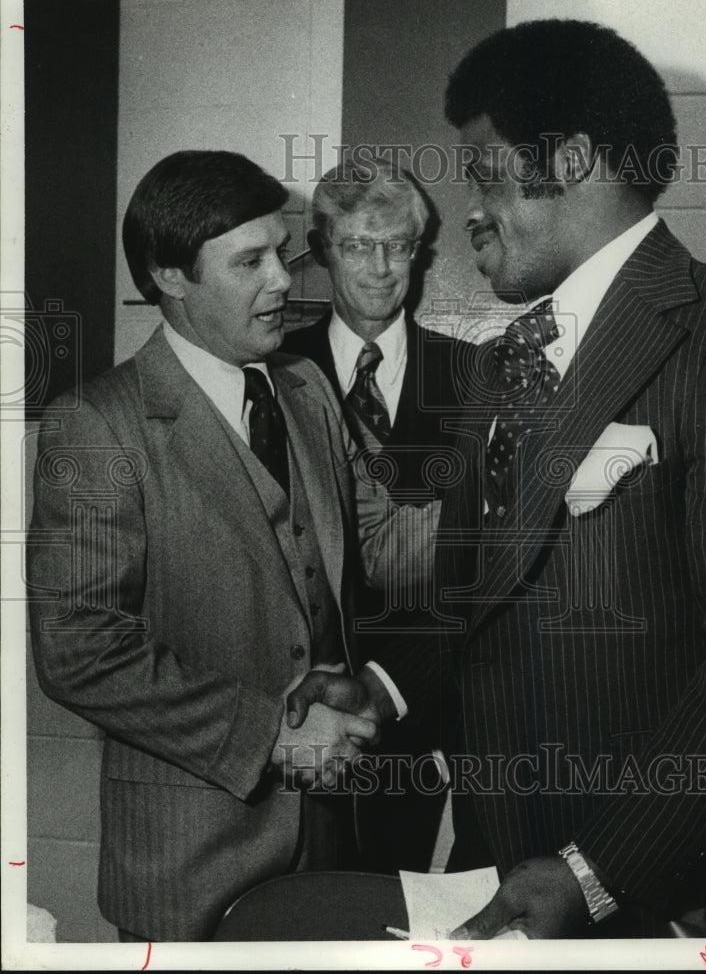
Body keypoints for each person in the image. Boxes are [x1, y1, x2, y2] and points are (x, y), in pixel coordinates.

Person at [287, 19, 706, 938]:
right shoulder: (504, 361)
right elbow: (478, 599)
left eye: (486, 174)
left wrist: (597, 870)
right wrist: (381, 688)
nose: (471, 213)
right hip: (496, 864)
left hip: (651, 887)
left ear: (574, 158)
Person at [26, 150, 438, 942]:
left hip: (329, 841)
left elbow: (382, 538)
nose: (285, 281)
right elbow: (77, 647)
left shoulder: (305, 388)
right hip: (189, 869)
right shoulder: (98, 423)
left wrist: (529, 488)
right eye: (249, 261)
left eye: (280, 254)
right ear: (170, 276)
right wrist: (273, 734)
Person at [283, 158, 473, 873]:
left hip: (425, 710)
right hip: (299, 713)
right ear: (323, 249)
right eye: (358, 245)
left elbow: (482, 567)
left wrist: (393, 686)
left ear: (421, 255)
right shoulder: (271, 369)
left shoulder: (473, 379)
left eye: (398, 245)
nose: (381, 267)